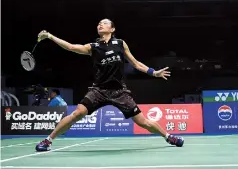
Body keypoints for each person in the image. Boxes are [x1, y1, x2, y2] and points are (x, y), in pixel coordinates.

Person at [35, 18, 184, 151]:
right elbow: (71, 47)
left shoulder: (120, 44)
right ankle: (48, 140)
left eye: (104, 23)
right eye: (99, 23)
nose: (100, 24)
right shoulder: (93, 47)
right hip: (98, 90)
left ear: (112, 29)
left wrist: (154, 72)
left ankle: (169, 136)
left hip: (119, 91)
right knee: (77, 114)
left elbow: (135, 63)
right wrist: (50, 36)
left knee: (142, 121)